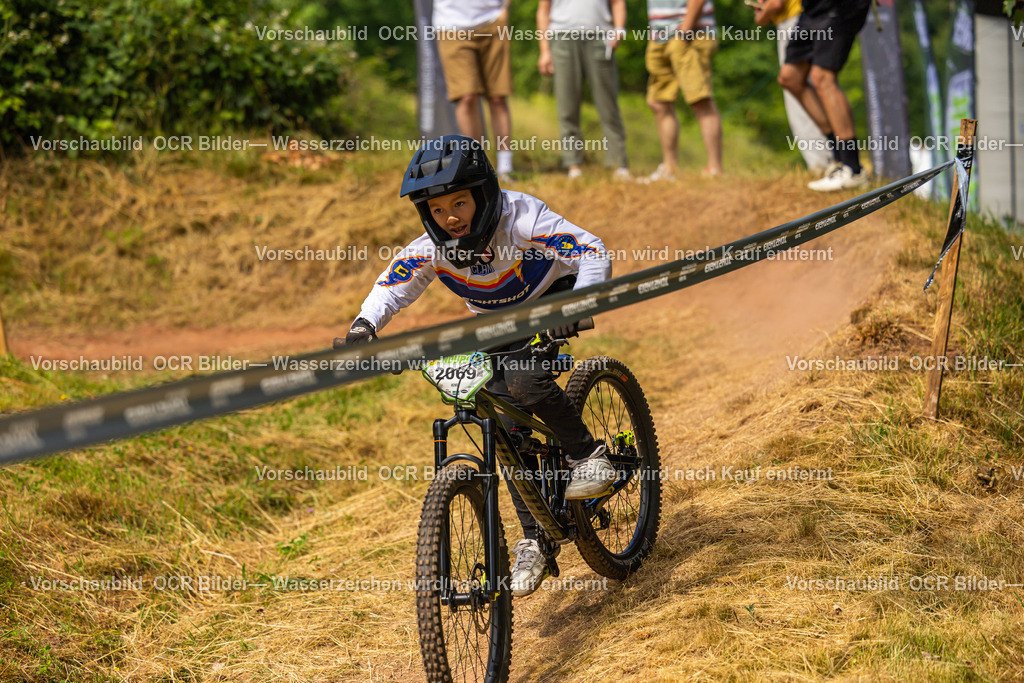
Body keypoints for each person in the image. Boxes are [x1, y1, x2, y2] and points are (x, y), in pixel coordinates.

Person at [344, 135, 616, 597]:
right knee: (502, 427)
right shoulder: (435, 245)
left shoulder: (522, 216)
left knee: (527, 382)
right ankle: (535, 536)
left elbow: (590, 249)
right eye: (436, 209)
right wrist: (363, 327)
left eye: (460, 202)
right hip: (493, 324)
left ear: (484, 194)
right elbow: (393, 284)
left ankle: (589, 455)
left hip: (549, 302)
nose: (449, 217)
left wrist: (577, 304)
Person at [776, 0, 871, 191]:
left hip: (839, 6)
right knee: (790, 77)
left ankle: (853, 169)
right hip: (812, 8)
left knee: (822, 77)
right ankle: (838, 159)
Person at [537, 0, 631, 180]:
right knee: (567, 107)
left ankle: (619, 165)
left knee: (608, 106)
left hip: (600, 37)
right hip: (562, 38)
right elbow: (543, 10)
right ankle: (574, 167)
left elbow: (618, 3)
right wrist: (544, 51)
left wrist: (619, 30)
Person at [641, 0, 724, 181]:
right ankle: (669, 169)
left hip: (690, 32)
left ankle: (715, 170)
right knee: (658, 102)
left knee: (700, 100)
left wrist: (685, 29)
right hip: (659, 35)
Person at [433, 0, 515, 180]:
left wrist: (505, 8)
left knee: (498, 97)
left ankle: (506, 167)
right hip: (451, 25)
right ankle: (476, 166)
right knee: (466, 97)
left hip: (493, 20)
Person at [750, 0, 832, 174]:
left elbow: (775, 4)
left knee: (799, 98)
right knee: (816, 88)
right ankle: (834, 159)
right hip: (804, 19)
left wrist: (761, 15)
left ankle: (823, 164)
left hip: (794, 22)